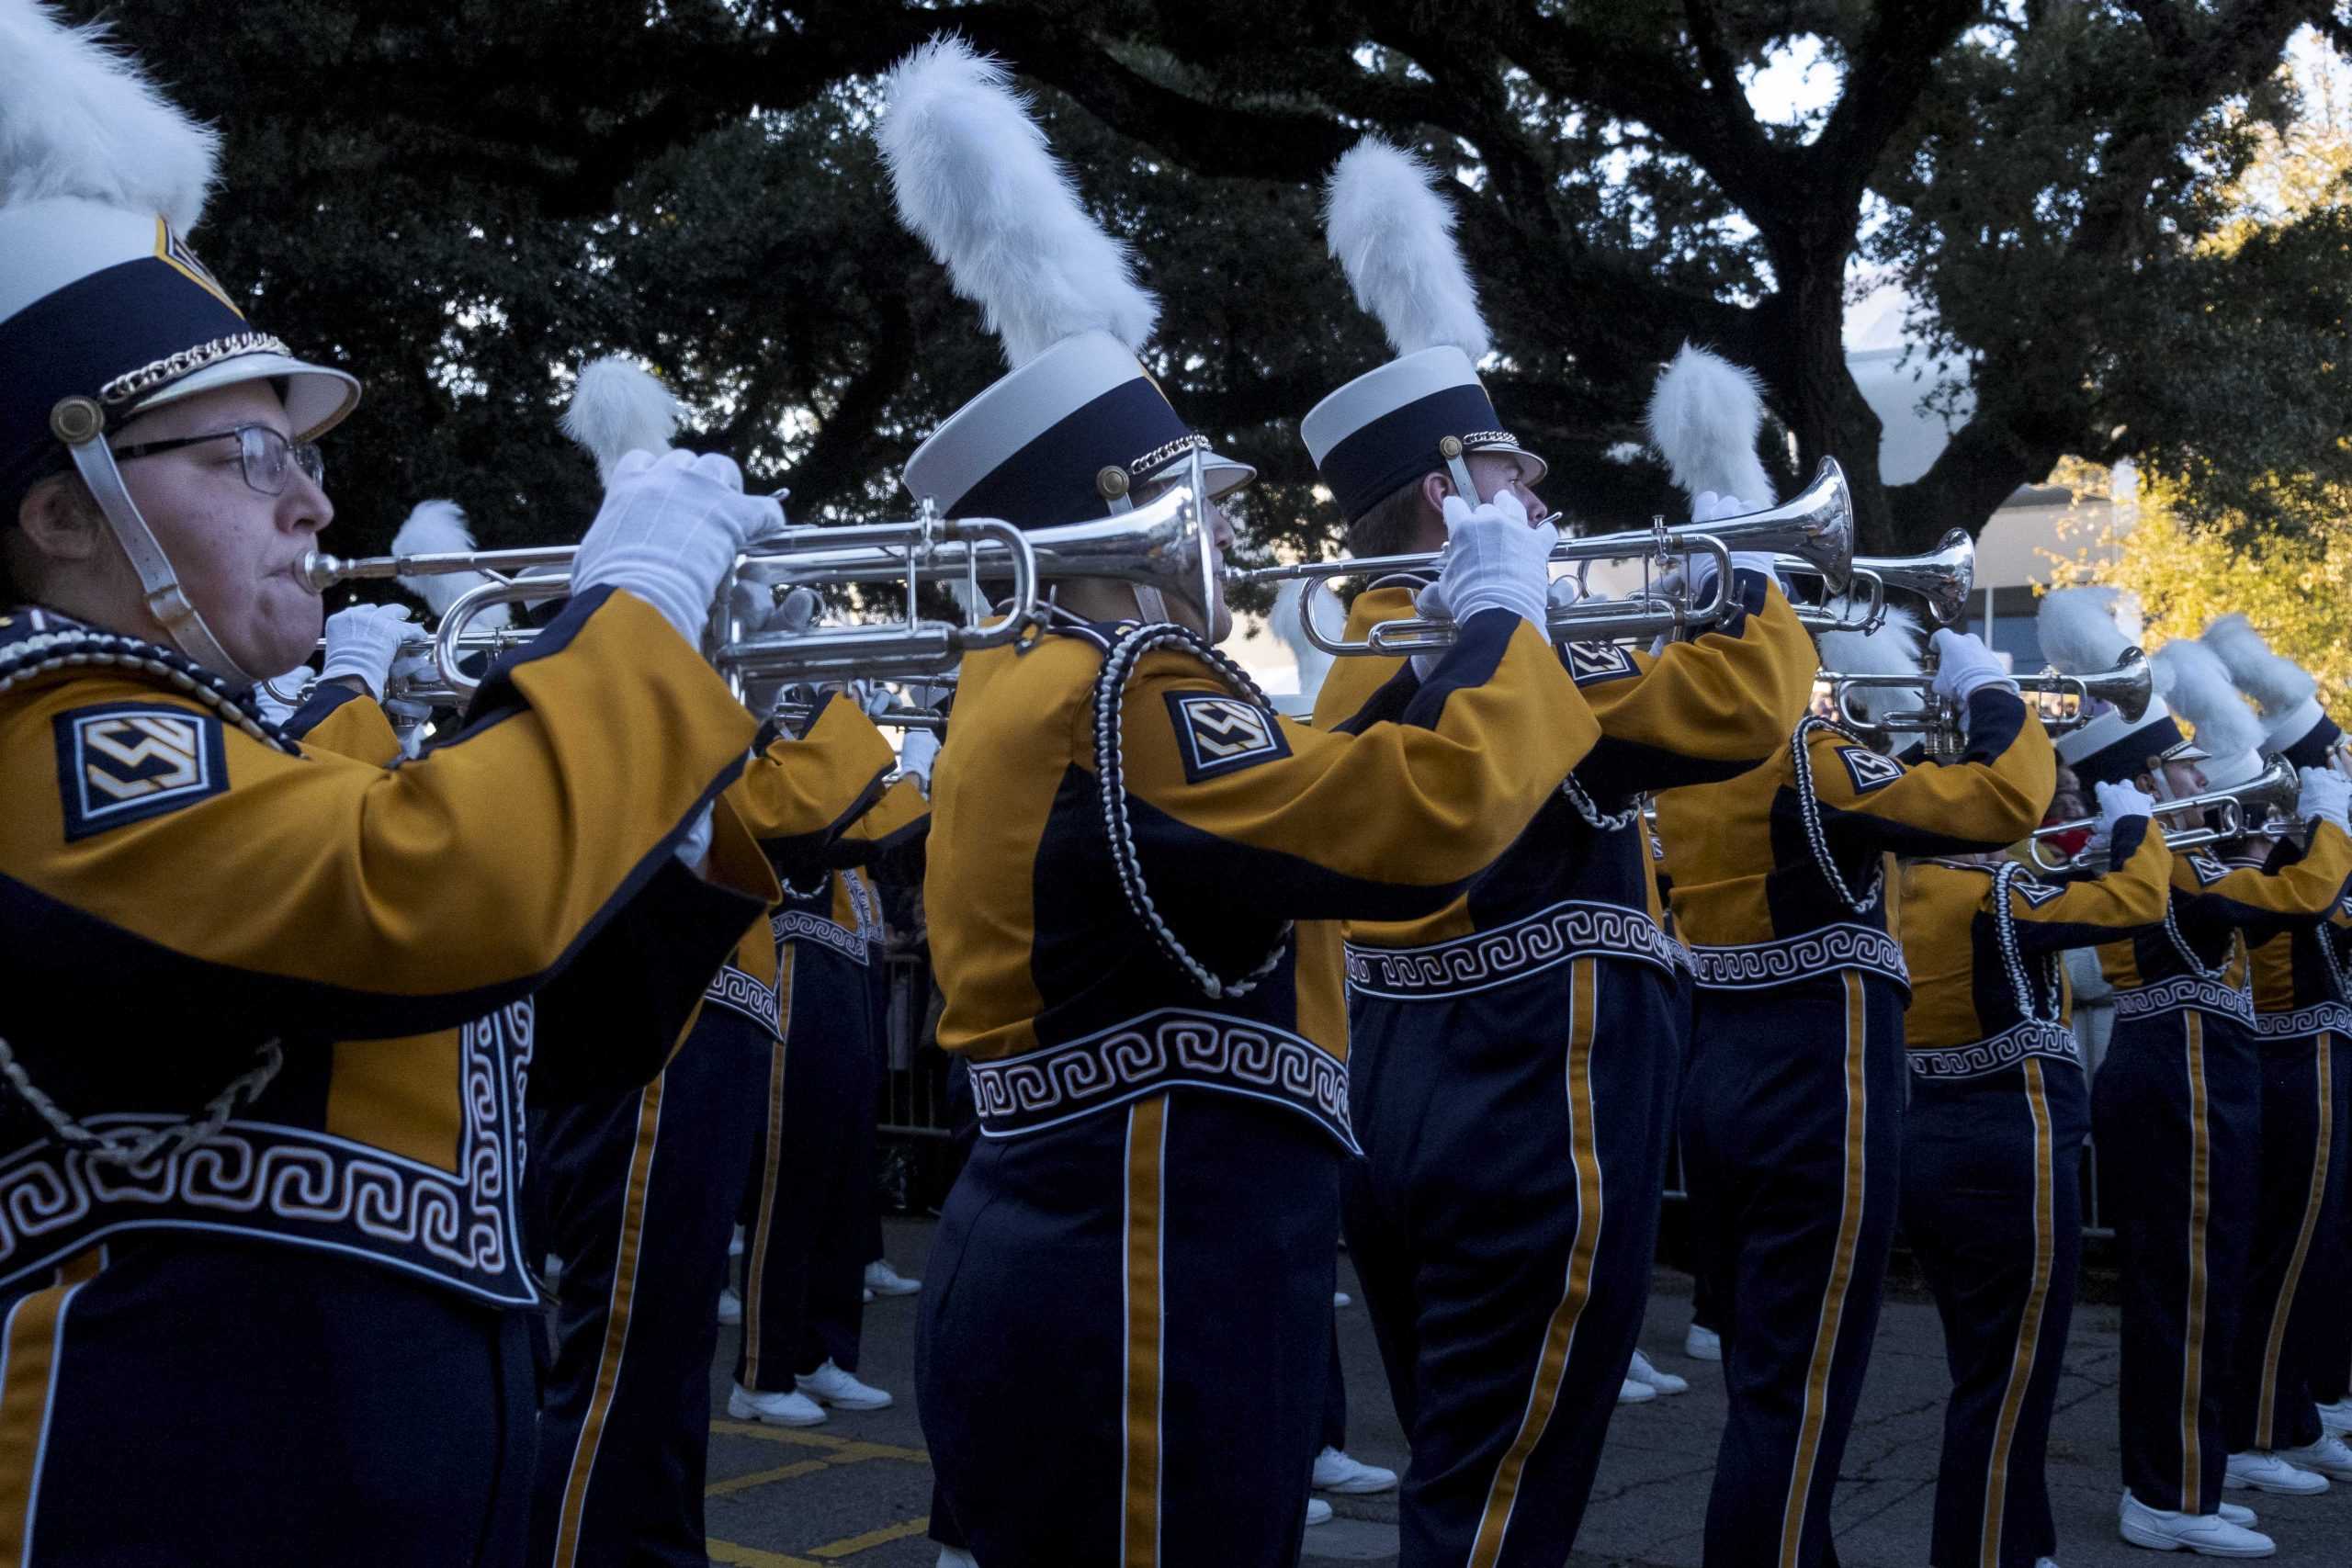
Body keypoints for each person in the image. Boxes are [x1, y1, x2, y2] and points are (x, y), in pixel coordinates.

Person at [0, 9, 781, 1559]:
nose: (313, 498)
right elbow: (421, 898)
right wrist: (633, 616)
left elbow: (533, 1038)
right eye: (248, 458)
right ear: (63, 512)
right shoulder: (50, 725)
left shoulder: (242, 750)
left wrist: (683, 793)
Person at [876, 38, 1599, 1566]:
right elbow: (1421, 826)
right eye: (1191, 508)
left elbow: (1305, 812)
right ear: (1119, 524)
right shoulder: (1128, 684)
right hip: (1142, 1251)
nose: (1219, 541)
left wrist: (1453, 640)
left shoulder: (1044, 679)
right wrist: (1505, 627)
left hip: (1102, 1233)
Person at [1301, 164, 1819, 1562]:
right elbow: (1743, 705)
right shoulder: (1502, 656)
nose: (1537, 483)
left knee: (1457, 1476)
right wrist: (1751, 566)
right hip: (1536, 1083)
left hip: (1407, 1085)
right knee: (1501, 1506)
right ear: (1442, 491)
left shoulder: (1353, 660)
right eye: (1507, 464)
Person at [1654, 602, 2054, 1568]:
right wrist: (1989, 691)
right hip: (1815, 1077)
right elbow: (2001, 800)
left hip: (1723, 1071)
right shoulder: (1809, 760)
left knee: (1766, 1380)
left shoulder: (1683, 769)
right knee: (1802, 1391)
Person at [2035, 593, 2352, 1557]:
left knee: (2206, 1282)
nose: (2190, 771)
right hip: (2172, 1065)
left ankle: (2196, 1471)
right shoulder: (2150, 850)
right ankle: (2166, 1494)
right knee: (2182, 1288)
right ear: (2128, 779)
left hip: (2199, 1063)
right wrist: (2325, 814)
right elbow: (2297, 896)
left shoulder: (2176, 845)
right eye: (2165, 763)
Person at [1896, 779, 2173, 1568]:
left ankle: (2019, 1539)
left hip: (1930, 1137)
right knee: (2011, 1378)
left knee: (1984, 1367)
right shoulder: (1997, 891)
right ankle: (1987, 1553)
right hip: (2010, 1142)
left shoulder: (1893, 889)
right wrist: (2136, 830)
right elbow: (2135, 904)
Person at [2197, 617, 2352, 1490]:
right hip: (2295, 1056)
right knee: (2289, 1249)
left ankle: (2293, 1409)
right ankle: (2259, 1428)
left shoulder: (2316, 847)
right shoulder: (2285, 855)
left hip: (2320, 1052)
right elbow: (2316, 904)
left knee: (2318, 1248)